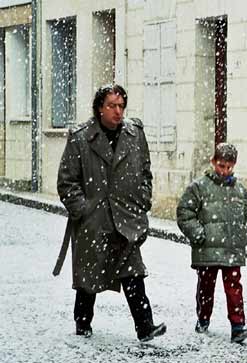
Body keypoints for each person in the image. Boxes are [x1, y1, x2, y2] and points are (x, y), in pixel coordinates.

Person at [56, 84, 166, 342]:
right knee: (88, 277)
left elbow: (145, 172)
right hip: (94, 220)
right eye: (111, 106)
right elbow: (67, 182)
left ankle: (145, 326)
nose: (118, 111)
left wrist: (142, 200)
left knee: (133, 272)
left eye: (121, 106)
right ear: (99, 108)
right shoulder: (81, 137)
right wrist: (82, 209)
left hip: (126, 218)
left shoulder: (134, 134)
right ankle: (82, 323)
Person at [176, 143, 247, 343]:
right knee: (206, 286)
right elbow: (185, 213)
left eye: (229, 167)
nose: (225, 171)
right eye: (221, 166)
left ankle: (238, 326)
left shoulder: (240, 190)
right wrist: (198, 234)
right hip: (207, 248)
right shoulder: (199, 187)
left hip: (231, 249)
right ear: (213, 162)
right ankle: (203, 318)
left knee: (234, 287)